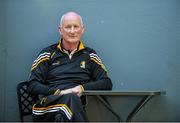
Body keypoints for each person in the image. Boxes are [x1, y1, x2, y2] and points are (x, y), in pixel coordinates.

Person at [27, 11, 112, 122]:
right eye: (68, 27)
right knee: (70, 99)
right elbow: (32, 85)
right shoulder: (47, 53)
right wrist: (59, 92)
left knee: (62, 117)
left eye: (76, 27)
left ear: (82, 29)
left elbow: (106, 83)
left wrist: (82, 88)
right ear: (60, 30)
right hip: (48, 106)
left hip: (76, 106)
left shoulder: (90, 55)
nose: (72, 31)